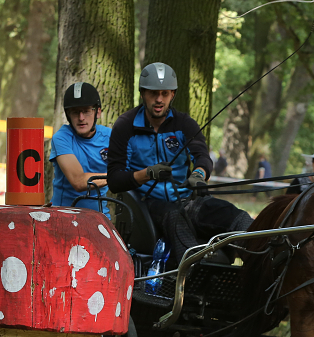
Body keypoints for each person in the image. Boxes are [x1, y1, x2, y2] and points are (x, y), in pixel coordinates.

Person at [107, 62, 253, 264]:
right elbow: (115, 179)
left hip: (188, 200)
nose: (159, 100)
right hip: (149, 206)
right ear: (142, 93)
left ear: (173, 94)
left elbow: (202, 157)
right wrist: (148, 173)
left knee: (239, 218)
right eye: (153, 93)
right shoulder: (125, 126)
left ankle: (261, 269)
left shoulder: (184, 124)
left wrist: (199, 175)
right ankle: (193, 274)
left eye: (165, 94)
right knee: (174, 216)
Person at [49, 82, 111, 217]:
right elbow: (78, 181)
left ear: (98, 112)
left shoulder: (110, 137)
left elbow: (131, 168)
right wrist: (116, 176)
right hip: (64, 216)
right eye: (76, 112)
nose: (81, 118)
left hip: (100, 218)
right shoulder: (61, 138)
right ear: (68, 115)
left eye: (87, 111)